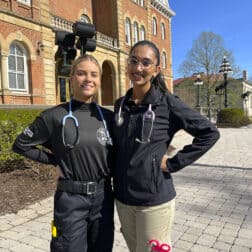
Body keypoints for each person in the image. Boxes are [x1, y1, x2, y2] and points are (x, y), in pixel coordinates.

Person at [113, 40, 220, 252]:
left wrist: (173, 163)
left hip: (153, 201)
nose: (138, 68)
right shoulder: (120, 105)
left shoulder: (167, 103)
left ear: (156, 69)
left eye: (145, 62)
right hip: (123, 198)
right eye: (133, 61)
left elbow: (209, 133)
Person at [13, 55, 114, 252]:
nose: (88, 79)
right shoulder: (54, 116)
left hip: (103, 199)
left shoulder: (108, 117)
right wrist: (54, 161)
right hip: (71, 199)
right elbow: (21, 144)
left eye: (94, 74)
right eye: (81, 73)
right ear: (71, 78)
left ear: (100, 80)